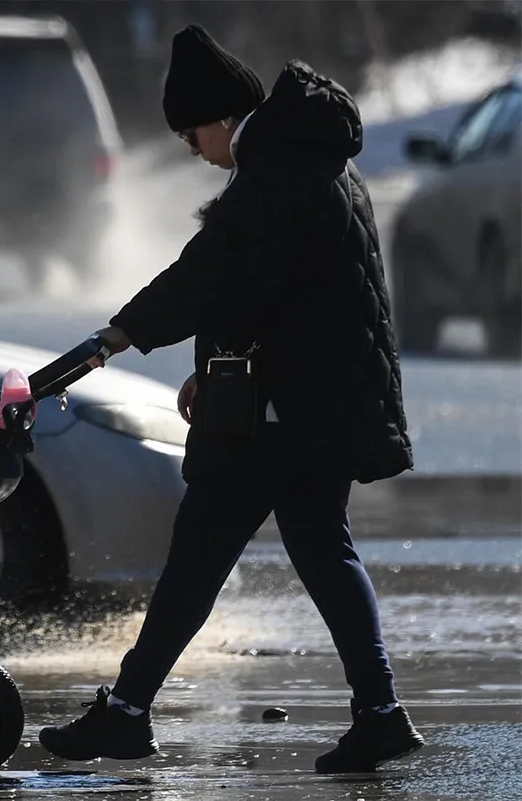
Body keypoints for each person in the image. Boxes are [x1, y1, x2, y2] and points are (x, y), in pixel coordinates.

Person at [38, 25, 425, 774]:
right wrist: (215, 364)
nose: (194, 150)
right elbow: (273, 288)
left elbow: (212, 271)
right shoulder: (313, 158)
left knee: (203, 555)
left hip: (285, 413)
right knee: (316, 547)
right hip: (316, 397)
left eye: (191, 135)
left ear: (219, 117)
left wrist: (119, 334)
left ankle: (126, 713)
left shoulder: (275, 171)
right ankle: (379, 712)